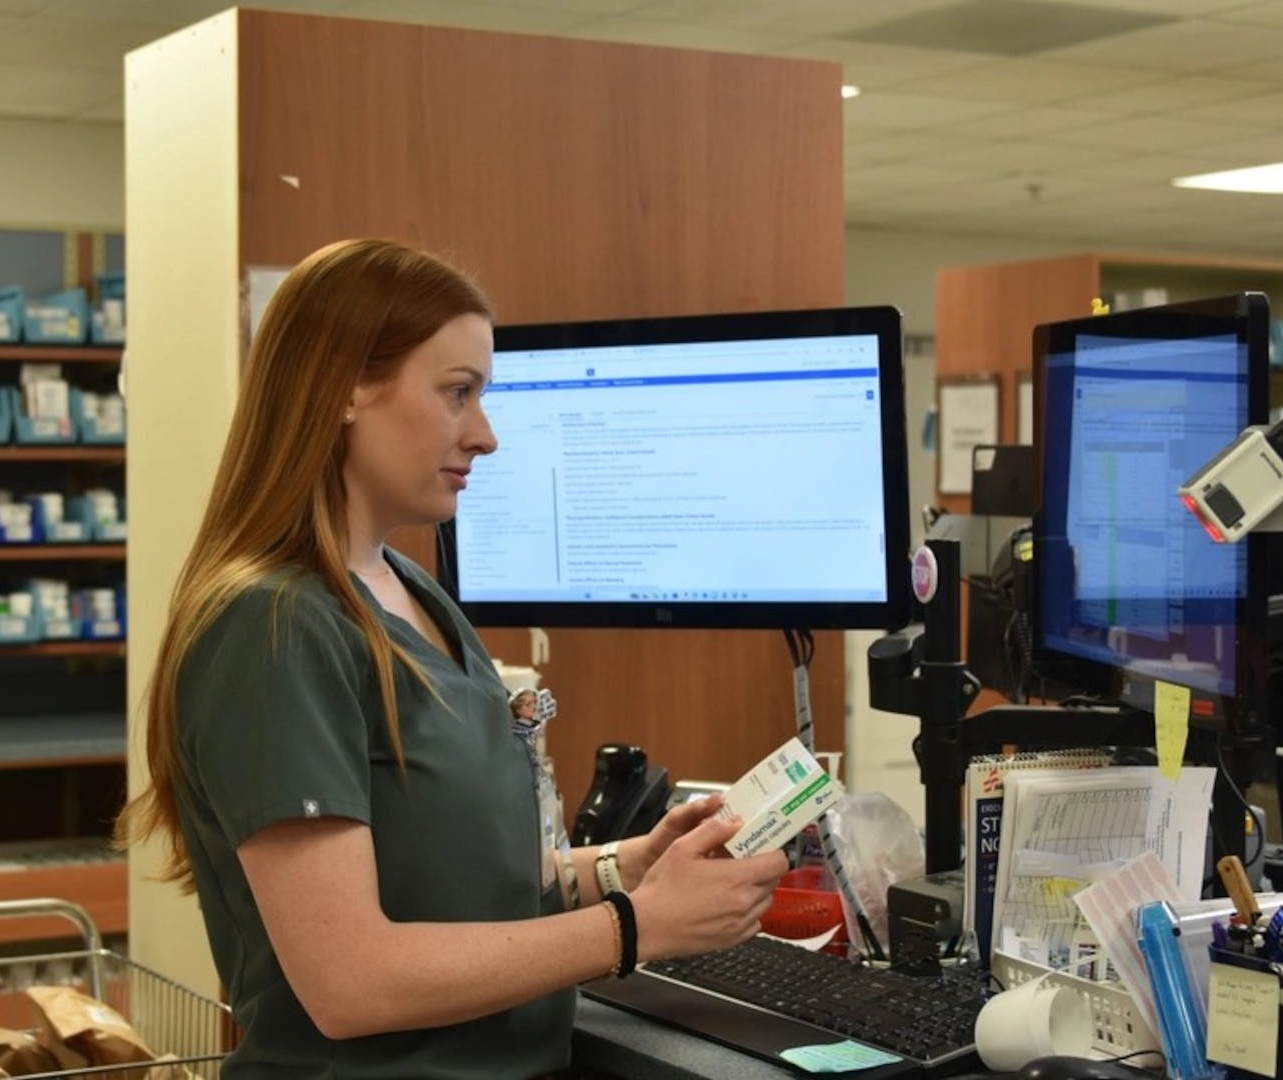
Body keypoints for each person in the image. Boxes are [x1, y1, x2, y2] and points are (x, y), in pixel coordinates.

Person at [118, 237, 789, 1078]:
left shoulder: (411, 591)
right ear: (344, 390)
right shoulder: (275, 626)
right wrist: (635, 927)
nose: (486, 436)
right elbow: (350, 982)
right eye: (458, 393)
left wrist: (627, 865)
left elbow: (456, 878)